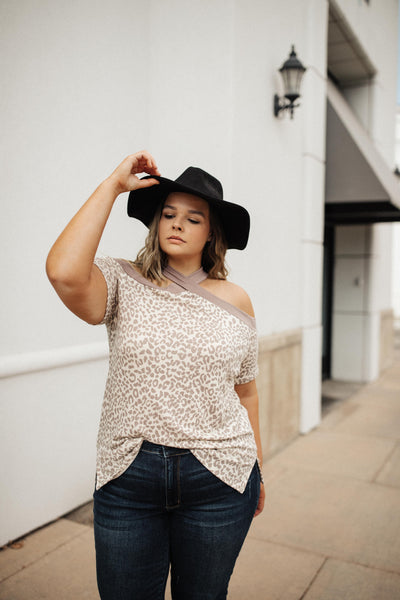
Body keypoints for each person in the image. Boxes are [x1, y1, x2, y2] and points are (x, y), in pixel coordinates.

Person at [46, 150, 265, 600]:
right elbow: (64, 273)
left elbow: (247, 392)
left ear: (212, 234)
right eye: (168, 214)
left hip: (220, 476)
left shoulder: (236, 299)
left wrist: (258, 468)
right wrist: (112, 185)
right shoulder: (121, 281)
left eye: (193, 218)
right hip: (129, 474)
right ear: (155, 222)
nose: (177, 223)